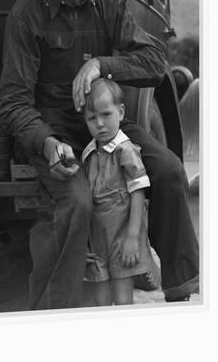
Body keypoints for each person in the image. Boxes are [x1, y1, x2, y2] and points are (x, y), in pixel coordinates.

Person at [0, 0, 199, 310]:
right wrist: (48, 144)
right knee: (76, 202)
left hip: (107, 124)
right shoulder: (27, 13)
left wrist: (102, 65)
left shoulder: (110, 4)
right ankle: (56, 312)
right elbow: (12, 100)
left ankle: (179, 283)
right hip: (55, 132)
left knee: (169, 168)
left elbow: (155, 63)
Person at [82, 78, 154, 306]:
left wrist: (133, 237)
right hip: (96, 239)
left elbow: (138, 193)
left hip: (122, 236)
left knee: (123, 299)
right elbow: (85, 200)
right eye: (92, 118)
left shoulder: (126, 151)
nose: (100, 124)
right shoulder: (89, 153)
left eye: (106, 114)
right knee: (100, 298)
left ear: (121, 112)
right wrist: (84, 243)